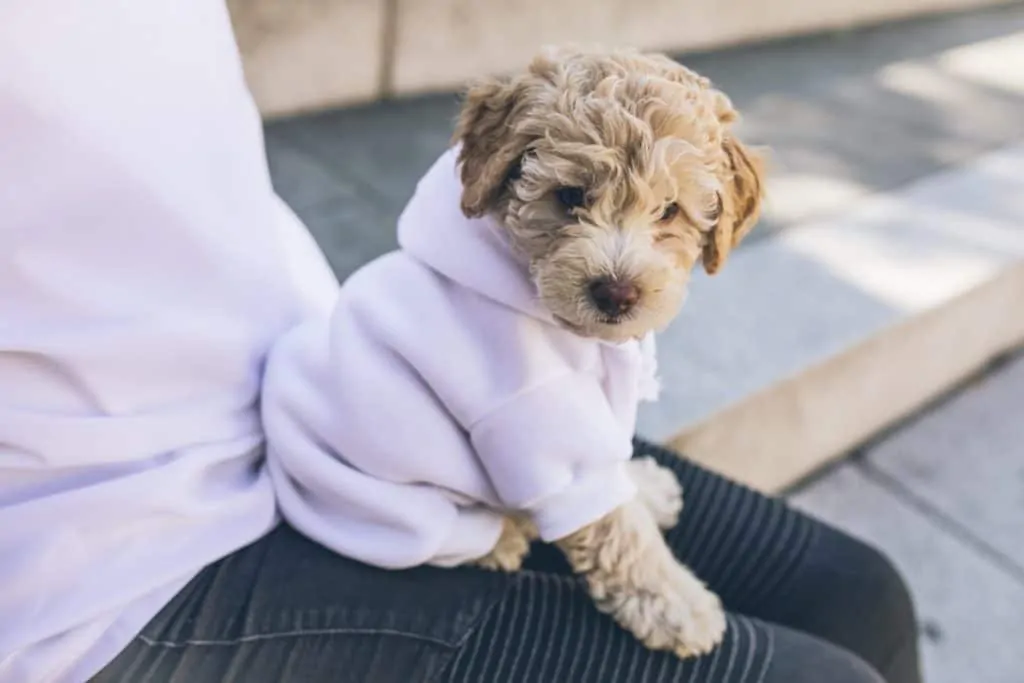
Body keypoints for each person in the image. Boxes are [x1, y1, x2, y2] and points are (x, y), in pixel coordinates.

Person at [0, 2, 922, 682]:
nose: (620, 263)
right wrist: (628, 552)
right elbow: (564, 473)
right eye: (571, 198)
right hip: (121, 552)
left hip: (320, 382)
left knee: (862, 592)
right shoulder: (499, 337)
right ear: (499, 167)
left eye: (672, 217)